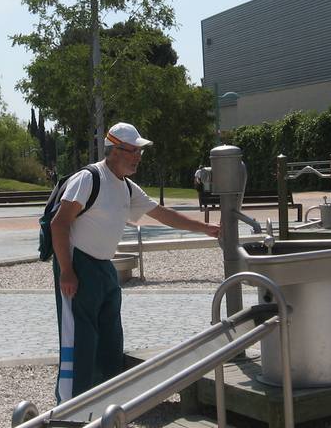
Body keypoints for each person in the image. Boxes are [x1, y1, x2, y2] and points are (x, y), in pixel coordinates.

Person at [50, 122, 220, 402]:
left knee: (110, 338)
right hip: (79, 263)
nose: (138, 157)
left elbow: (161, 214)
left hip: (104, 265)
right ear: (115, 150)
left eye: (140, 151)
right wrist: (67, 270)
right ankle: (71, 406)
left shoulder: (126, 187)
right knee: (80, 339)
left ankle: (106, 400)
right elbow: (59, 224)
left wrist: (205, 228)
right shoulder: (89, 178)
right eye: (133, 150)